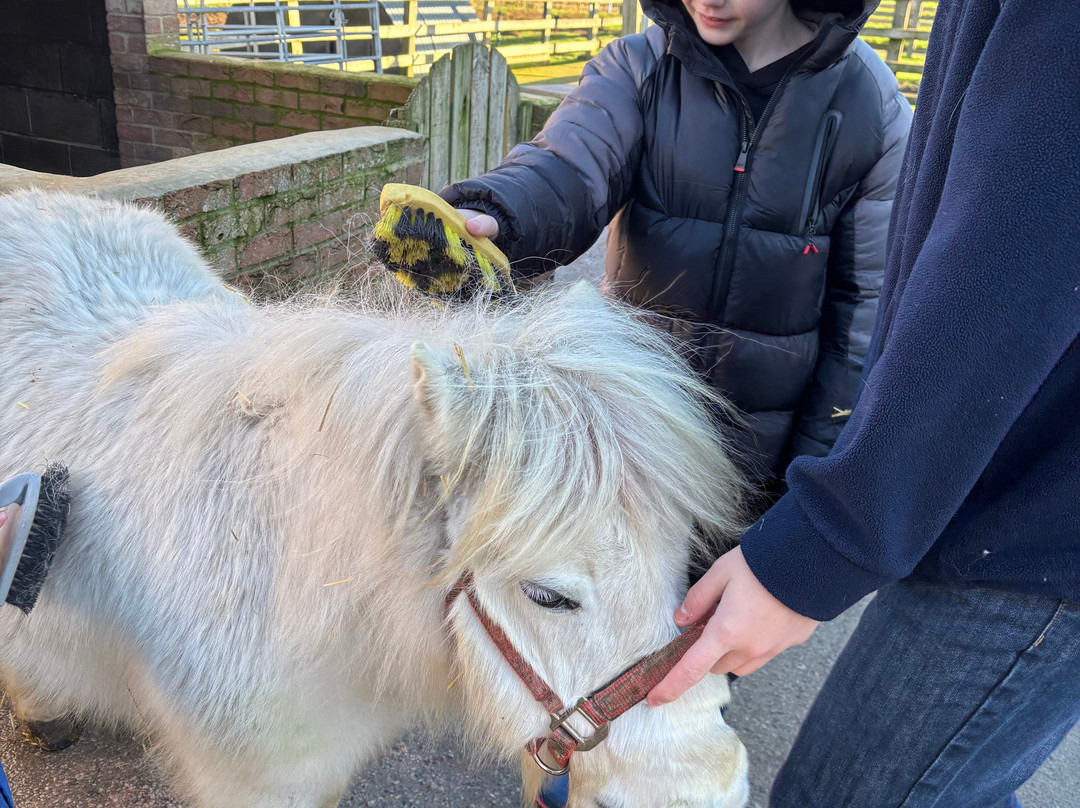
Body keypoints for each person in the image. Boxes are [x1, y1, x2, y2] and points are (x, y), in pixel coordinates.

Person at [647, 1, 1080, 806]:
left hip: (1026, 508)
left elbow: (999, 253)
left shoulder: (866, 95)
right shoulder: (641, 70)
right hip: (966, 480)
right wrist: (508, 211)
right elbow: (570, 161)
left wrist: (836, 528)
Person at [441, 0, 911, 515]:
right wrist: (494, 215)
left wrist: (812, 485)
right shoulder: (639, 66)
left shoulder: (872, 105)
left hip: (758, 462)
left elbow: (863, 312)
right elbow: (568, 168)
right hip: (628, 442)